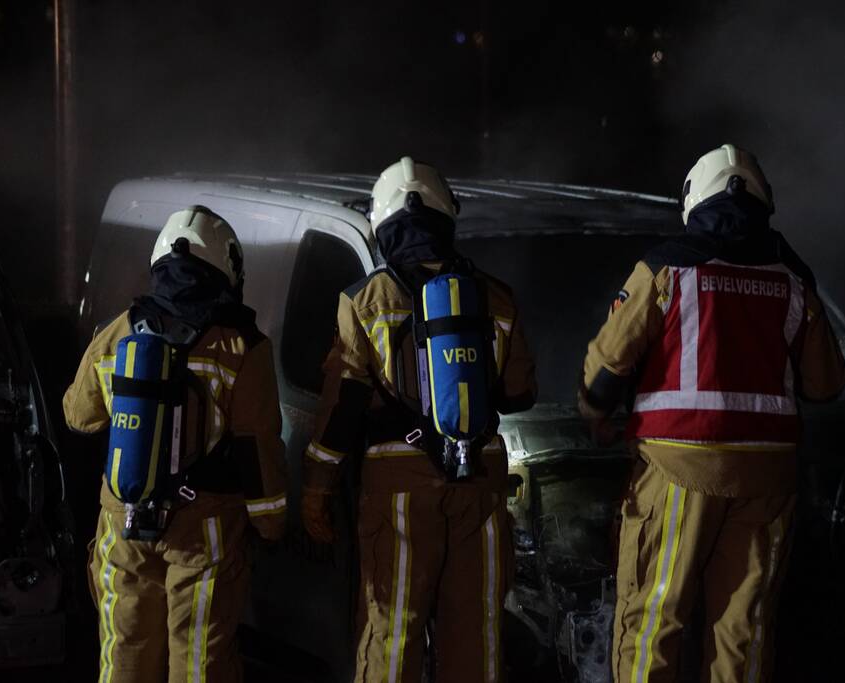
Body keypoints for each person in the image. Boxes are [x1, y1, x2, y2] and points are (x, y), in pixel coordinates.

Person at [579, 144, 845, 683]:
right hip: (767, 481)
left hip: (680, 472)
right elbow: (826, 385)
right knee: (742, 631)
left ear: (693, 201)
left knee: (655, 618)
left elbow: (607, 368)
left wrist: (594, 412)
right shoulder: (793, 276)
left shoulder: (666, 266)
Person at [301, 157, 537, 683]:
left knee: (392, 631)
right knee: (476, 635)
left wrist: (317, 487)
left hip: (399, 487)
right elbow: (520, 392)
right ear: (447, 219)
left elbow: (342, 409)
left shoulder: (364, 301)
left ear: (383, 226)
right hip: (480, 481)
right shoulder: (496, 296)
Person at [64, 206, 287, 683]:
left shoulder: (120, 329)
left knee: (125, 651)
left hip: (123, 521)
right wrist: (271, 525)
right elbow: (258, 448)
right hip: (203, 530)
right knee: (200, 658)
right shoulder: (243, 345)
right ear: (227, 267)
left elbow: (78, 417)